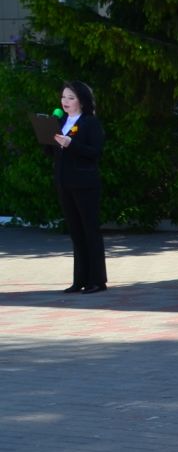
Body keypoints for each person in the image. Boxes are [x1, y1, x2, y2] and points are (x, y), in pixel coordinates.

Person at [44, 81, 107, 294]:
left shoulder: (90, 123)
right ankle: (80, 279)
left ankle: (97, 281)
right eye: (63, 97)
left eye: (71, 98)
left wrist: (71, 144)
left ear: (81, 100)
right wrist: (47, 137)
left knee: (90, 231)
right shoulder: (61, 121)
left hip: (85, 184)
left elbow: (95, 152)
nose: (65, 102)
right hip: (65, 183)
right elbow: (52, 153)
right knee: (76, 232)